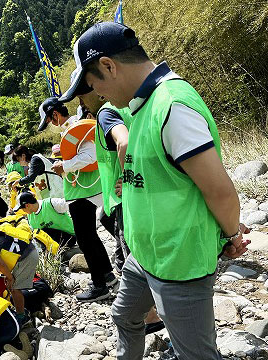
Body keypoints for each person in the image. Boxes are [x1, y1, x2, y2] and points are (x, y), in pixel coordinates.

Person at [71, 21, 250, 359]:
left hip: (179, 263)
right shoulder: (141, 105)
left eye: (95, 85)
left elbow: (220, 191)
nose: (99, 96)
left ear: (109, 65)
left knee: (196, 354)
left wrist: (229, 235)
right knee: (124, 316)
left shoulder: (172, 106)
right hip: (146, 255)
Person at [61, 70, 163, 333]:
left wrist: (128, 179)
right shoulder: (136, 105)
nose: (80, 104)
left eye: (82, 95)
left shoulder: (107, 112)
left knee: (134, 255)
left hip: (125, 198)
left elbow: (125, 143)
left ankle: (150, 316)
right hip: (144, 193)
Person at [37, 96, 118, 302]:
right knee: (90, 236)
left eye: (48, 121)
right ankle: (107, 275)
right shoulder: (70, 129)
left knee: (85, 238)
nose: (50, 126)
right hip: (80, 192)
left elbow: (90, 155)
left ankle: (99, 285)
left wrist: (63, 166)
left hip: (85, 192)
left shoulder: (75, 127)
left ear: (54, 115)